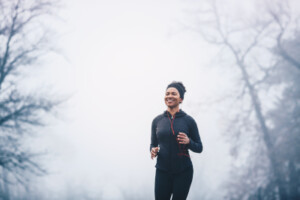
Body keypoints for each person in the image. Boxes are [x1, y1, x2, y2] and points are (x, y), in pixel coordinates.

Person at [150, 81, 203, 200]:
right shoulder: (157, 121)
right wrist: (153, 150)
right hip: (162, 171)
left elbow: (199, 147)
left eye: (174, 93)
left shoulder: (189, 121)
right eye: (167, 93)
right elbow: (153, 144)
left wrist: (189, 142)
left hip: (183, 172)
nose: (169, 96)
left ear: (181, 99)